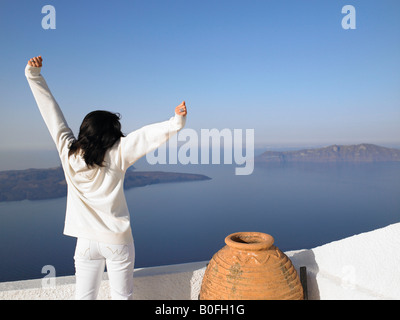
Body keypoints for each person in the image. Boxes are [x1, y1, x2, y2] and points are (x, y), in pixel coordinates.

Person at [25, 56, 187, 300]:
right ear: (111, 134)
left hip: (86, 243)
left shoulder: (68, 152)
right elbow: (145, 136)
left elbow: (52, 115)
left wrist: (33, 75)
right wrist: (176, 121)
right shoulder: (118, 153)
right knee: (123, 297)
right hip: (117, 240)